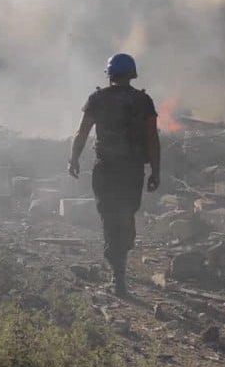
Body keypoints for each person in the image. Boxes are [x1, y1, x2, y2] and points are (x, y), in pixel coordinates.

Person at [67, 53, 160, 296]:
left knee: (109, 217)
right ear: (132, 74)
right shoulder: (144, 101)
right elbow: (152, 139)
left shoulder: (97, 99)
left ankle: (117, 271)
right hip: (132, 171)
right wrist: (156, 171)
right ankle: (120, 267)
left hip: (106, 169)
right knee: (126, 215)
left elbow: (82, 133)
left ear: (109, 75)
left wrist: (74, 159)